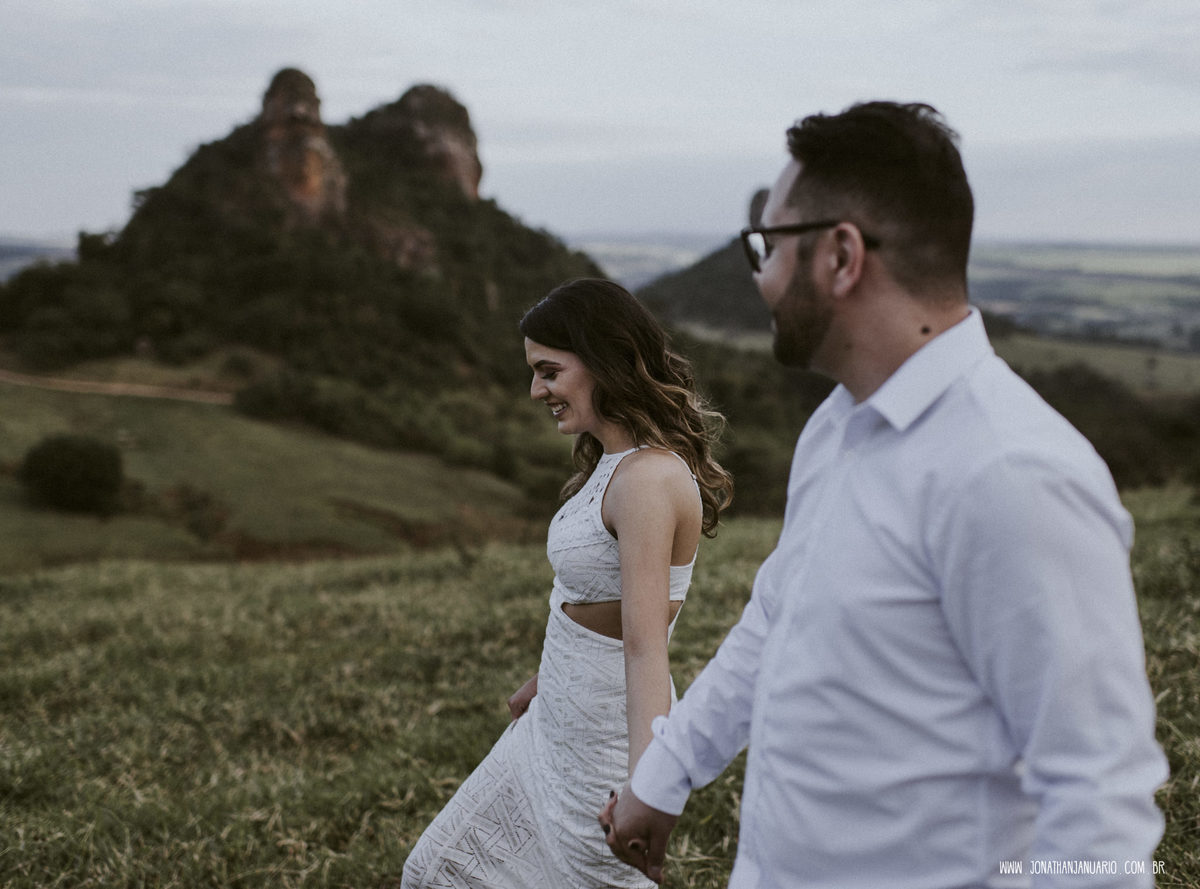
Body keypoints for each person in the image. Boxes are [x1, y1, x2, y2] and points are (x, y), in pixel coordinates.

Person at [600, 101, 1168, 887]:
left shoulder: (1013, 474)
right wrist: (663, 776)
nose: (761, 276)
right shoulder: (837, 427)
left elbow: (1099, 806)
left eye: (769, 244)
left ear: (841, 256)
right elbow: (775, 620)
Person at [401, 277, 734, 888]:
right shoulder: (612, 462)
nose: (537, 391)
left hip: (598, 744)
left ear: (604, 361)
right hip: (553, 722)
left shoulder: (648, 481)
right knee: (437, 870)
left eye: (549, 372)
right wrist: (547, 680)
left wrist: (646, 788)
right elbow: (593, 600)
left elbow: (645, 645)